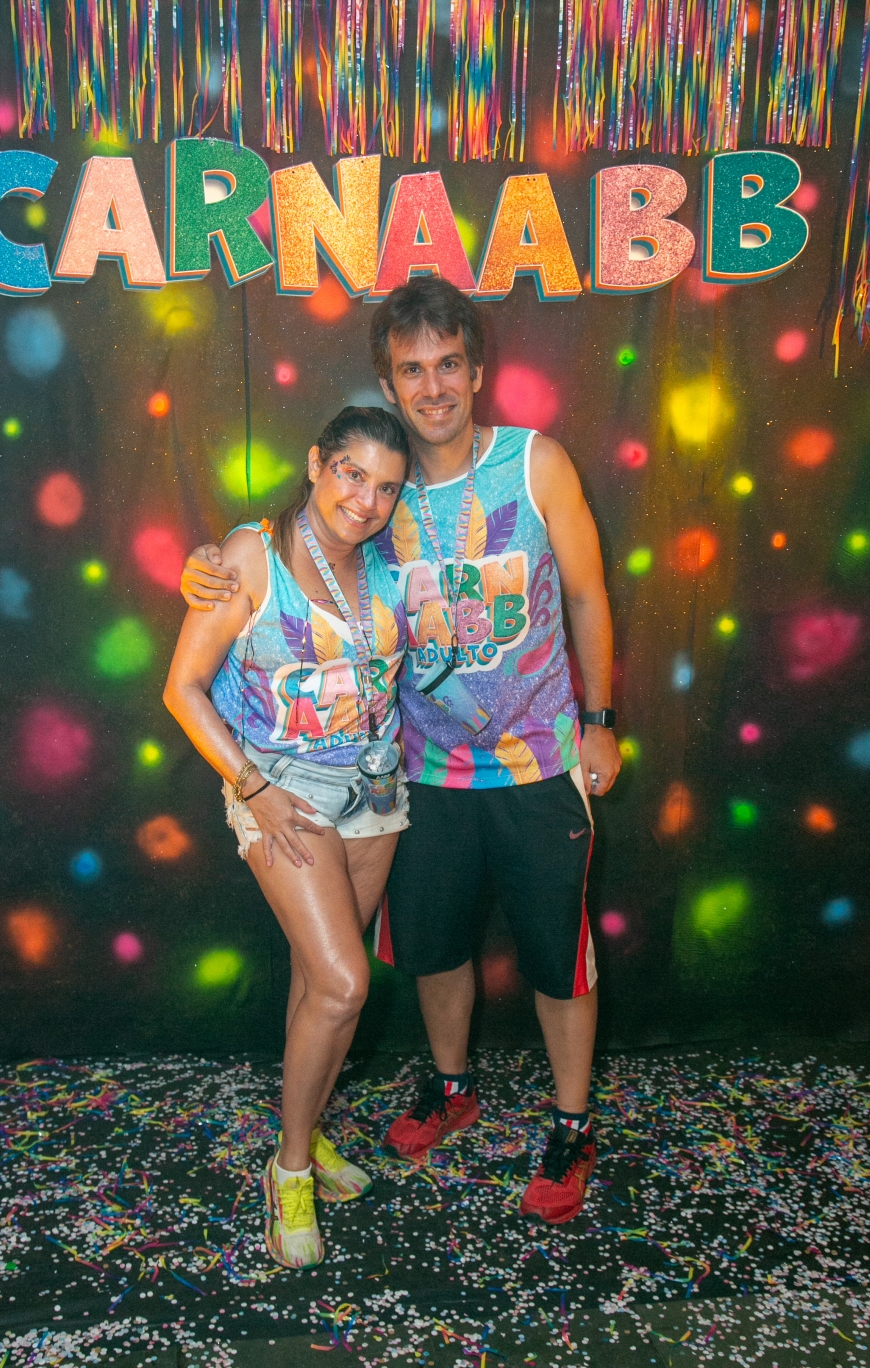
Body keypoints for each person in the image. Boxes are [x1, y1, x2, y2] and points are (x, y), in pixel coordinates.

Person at [180, 278, 622, 1227]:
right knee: (431, 950)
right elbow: (287, 556)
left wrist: (602, 717)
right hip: (417, 770)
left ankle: (571, 1124)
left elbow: (587, 592)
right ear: (387, 383)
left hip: (539, 759)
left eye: (449, 365)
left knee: (559, 957)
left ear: (477, 370)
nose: (433, 387)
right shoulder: (375, 495)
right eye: (412, 370)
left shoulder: (534, 463)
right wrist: (209, 565)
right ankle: (451, 1089)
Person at [164, 406, 412, 1269]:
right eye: (351, 473)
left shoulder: (391, 555)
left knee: (321, 982)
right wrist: (253, 786)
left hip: (376, 789)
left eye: (386, 486)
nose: (366, 500)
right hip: (283, 792)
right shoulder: (249, 556)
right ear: (315, 464)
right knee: (347, 984)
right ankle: (290, 1170)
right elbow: (182, 689)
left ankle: (305, 1130)